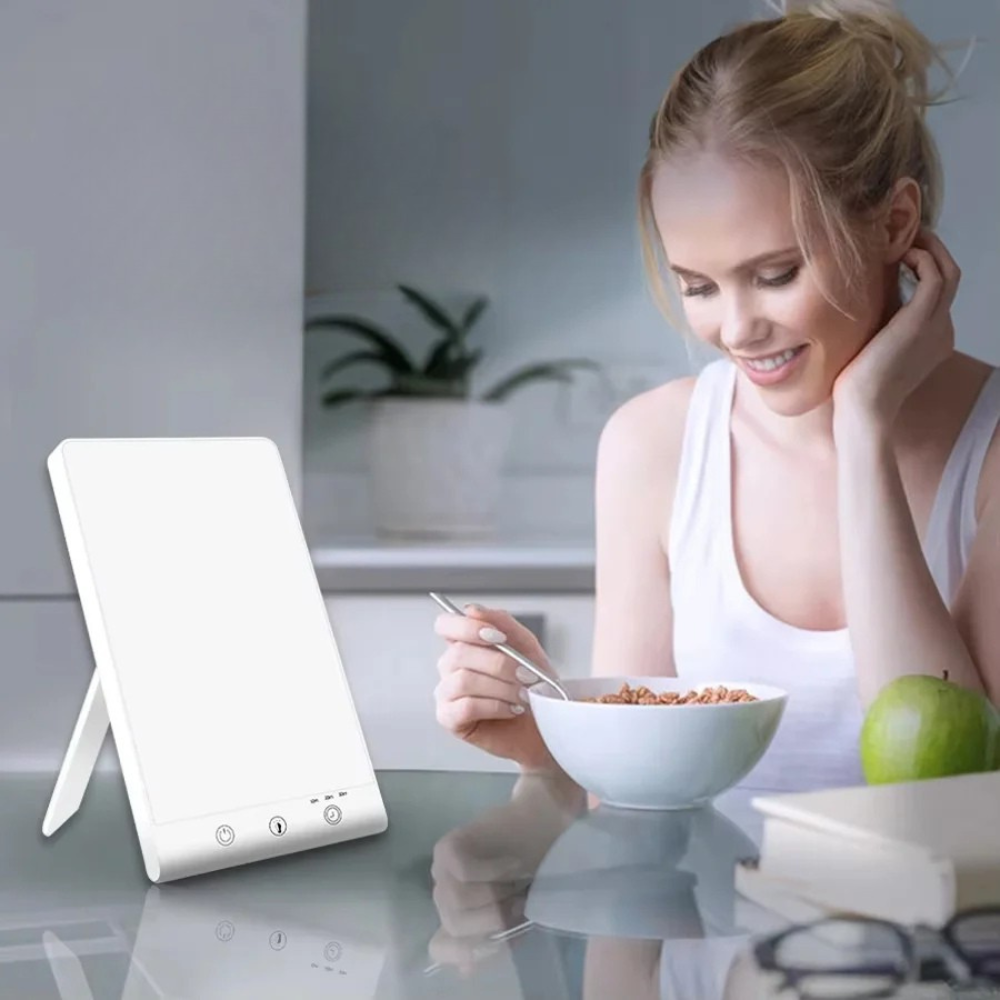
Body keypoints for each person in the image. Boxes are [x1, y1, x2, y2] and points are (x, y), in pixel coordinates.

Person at [433, 0, 1000, 798]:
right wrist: (546, 739)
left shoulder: (988, 453)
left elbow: (953, 789)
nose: (736, 330)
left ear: (893, 223)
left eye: (775, 275)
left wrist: (863, 428)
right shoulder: (652, 447)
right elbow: (633, 808)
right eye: (698, 286)